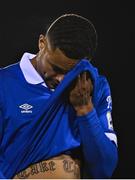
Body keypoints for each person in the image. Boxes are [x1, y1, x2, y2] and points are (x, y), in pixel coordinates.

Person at [0, 14, 118, 179]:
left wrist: (85, 110)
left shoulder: (94, 88)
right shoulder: (4, 84)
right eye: (55, 67)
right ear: (42, 44)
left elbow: (104, 169)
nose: (60, 79)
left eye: (69, 72)